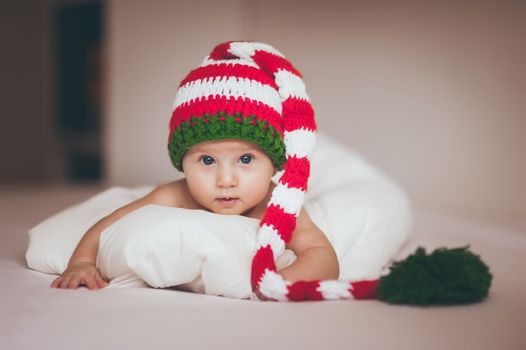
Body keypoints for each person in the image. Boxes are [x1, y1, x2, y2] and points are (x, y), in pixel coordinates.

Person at [51, 41, 339, 300]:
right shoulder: (176, 195)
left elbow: (323, 257)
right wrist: (82, 263)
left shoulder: (279, 206)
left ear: (274, 163)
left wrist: (279, 283)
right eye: (207, 161)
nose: (226, 180)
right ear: (182, 161)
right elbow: (110, 224)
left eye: (246, 159)